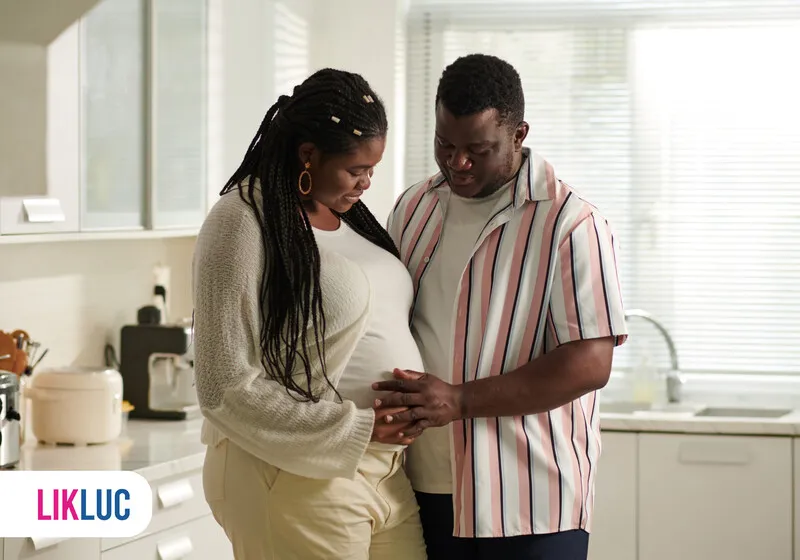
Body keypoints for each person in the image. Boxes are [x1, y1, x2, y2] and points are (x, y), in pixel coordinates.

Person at [373, 54, 628, 559]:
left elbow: (590, 364)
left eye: (478, 149)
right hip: (423, 485)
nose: (457, 163)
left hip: (530, 496)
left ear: (518, 134)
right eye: (445, 145)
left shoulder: (571, 224)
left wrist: (460, 400)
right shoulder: (412, 208)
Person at [192, 68, 427, 560]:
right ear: (308, 155)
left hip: (381, 472)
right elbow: (221, 386)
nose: (366, 182)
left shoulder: (346, 217)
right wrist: (359, 427)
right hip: (294, 477)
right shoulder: (242, 219)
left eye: (373, 169)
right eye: (355, 169)